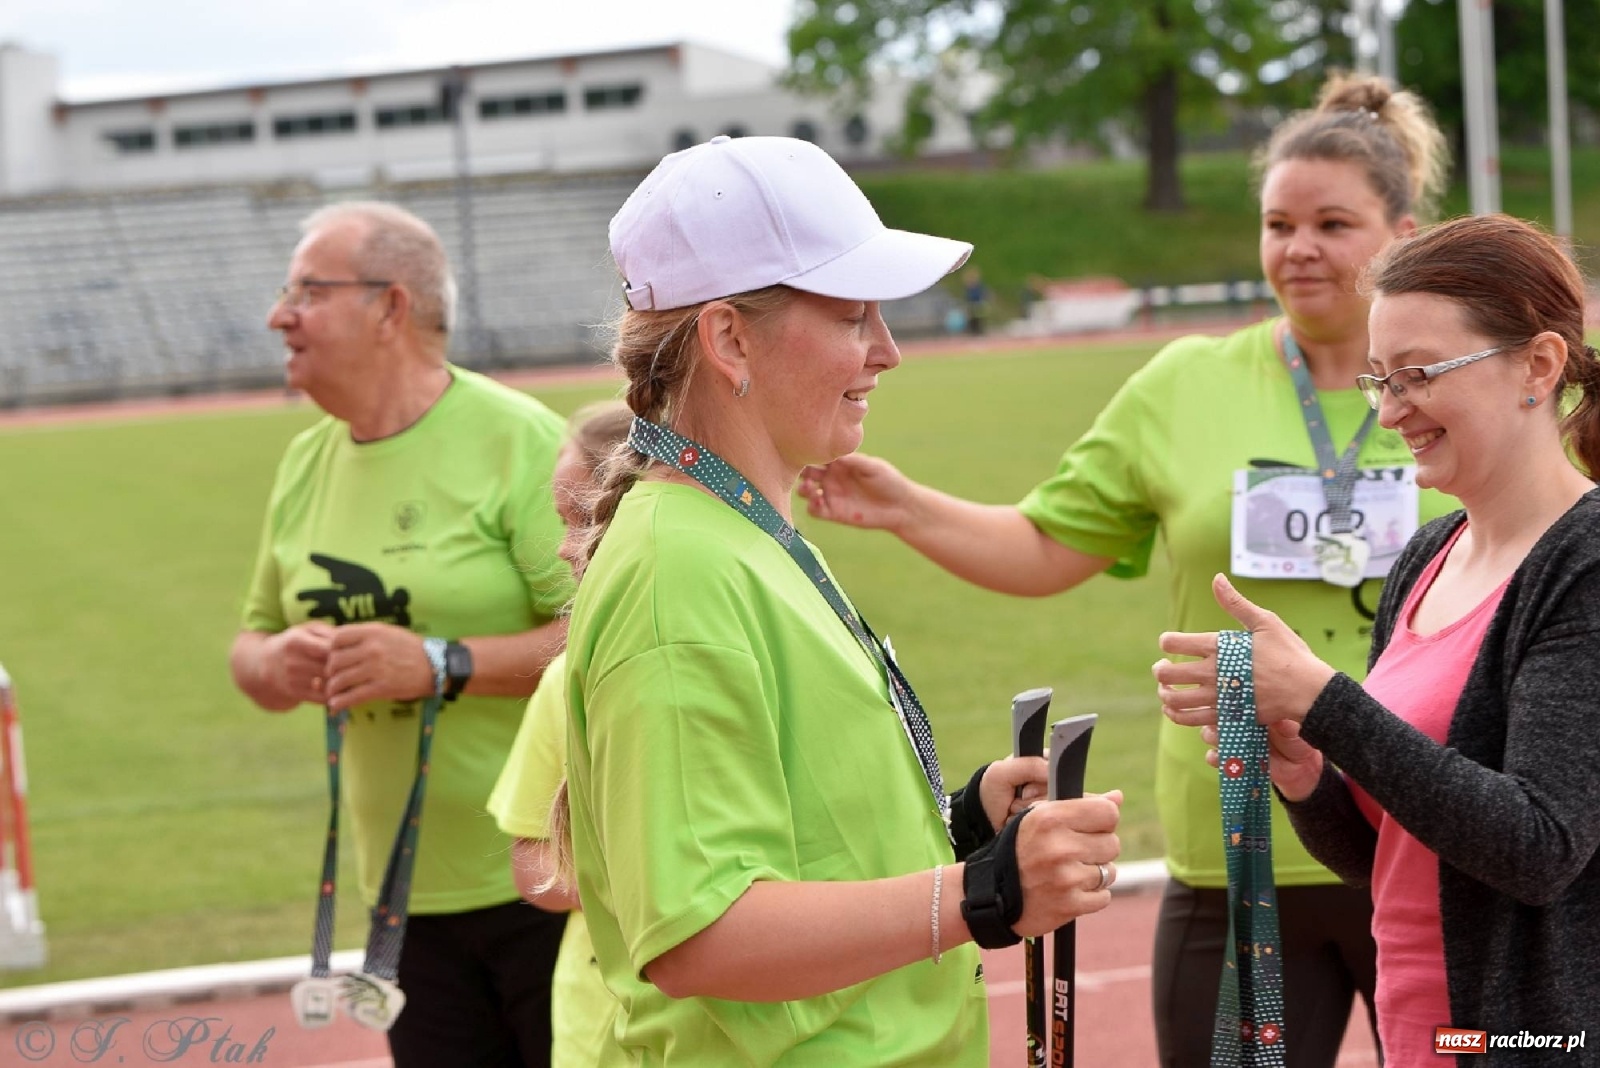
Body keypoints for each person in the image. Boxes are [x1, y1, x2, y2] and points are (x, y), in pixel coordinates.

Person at [798, 73, 1455, 1066]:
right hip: (1233, 848)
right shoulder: (1183, 385)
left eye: (1332, 223)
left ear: (1402, 234)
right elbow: (1046, 548)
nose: (1299, 249)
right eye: (1278, 224)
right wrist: (902, 506)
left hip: (1427, 836)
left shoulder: (1465, 385)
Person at [562, 134, 1123, 1066]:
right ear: (730, 338)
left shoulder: (738, 535)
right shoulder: (680, 571)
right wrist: (983, 890)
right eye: (853, 315)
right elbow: (703, 935)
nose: (888, 351)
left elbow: (795, 828)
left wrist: (964, 820)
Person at [1155, 212, 1600, 1064]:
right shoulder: (1429, 557)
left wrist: (1329, 703)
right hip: (1422, 1032)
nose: (1392, 410)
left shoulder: (1584, 562)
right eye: (1379, 381)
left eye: (1419, 374)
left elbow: (1539, 847)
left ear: (1537, 366)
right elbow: (1385, 856)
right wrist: (1305, 769)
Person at [229, 201, 573, 1067]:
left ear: (391, 307)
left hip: (550, 886)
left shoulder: (518, 441)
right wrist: (281, 663)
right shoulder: (306, 460)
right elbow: (252, 645)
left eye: (307, 291)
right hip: (403, 902)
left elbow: (603, 637)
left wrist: (440, 664)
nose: (280, 314)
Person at [487, 400, 633, 1068]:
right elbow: (532, 861)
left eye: (583, 519)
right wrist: (636, 890)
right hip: (598, 1030)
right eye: (562, 520)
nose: (563, 546)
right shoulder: (565, 682)